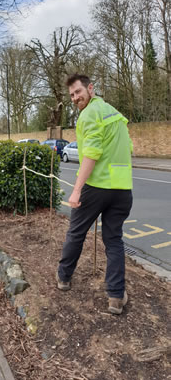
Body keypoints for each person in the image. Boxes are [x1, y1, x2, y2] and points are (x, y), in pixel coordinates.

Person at [56, 74, 133, 315]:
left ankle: (64, 278)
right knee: (114, 240)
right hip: (122, 190)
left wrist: (77, 189)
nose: (75, 98)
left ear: (90, 88)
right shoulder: (116, 115)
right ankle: (116, 297)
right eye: (71, 95)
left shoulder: (89, 114)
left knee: (76, 232)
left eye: (78, 92)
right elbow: (128, 148)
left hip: (96, 187)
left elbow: (91, 152)